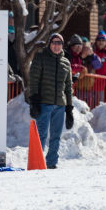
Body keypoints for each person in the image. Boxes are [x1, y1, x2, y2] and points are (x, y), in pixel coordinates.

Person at [27, 33, 74, 169]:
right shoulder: (41, 58)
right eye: (54, 42)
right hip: (44, 103)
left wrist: (69, 108)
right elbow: (34, 80)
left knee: (56, 136)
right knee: (41, 134)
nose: (56, 45)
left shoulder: (66, 62)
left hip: (60, 104)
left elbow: (68, 87)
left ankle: (52, 162)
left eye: (59, 43)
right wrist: (34, 100)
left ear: (62, 45)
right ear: (49, 44)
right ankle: (37, 161)